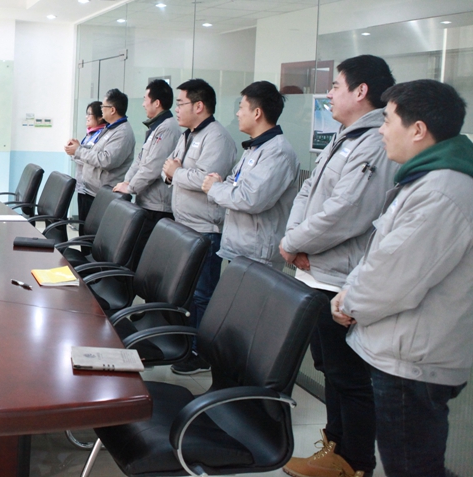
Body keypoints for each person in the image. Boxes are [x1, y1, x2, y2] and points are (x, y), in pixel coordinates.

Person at [334, 80, 473, 477]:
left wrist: (349, 302)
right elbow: (383, 253)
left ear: (418, 129)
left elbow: (394, 279)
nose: (381, 129)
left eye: (388, 120)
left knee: (412, 467)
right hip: (406, 352)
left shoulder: (442, 191)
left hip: (413, 363)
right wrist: (350, 291)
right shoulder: (427, 179)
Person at [281, 55, 397, 477]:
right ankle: (334, 450)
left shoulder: (374, 142)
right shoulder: (346, 136)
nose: (328, 93)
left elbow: (347, 211)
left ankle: (355, 462)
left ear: (360, 91)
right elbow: (308, 192)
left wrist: (294, 243)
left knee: (348, 376)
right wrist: (292, 241)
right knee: (330, 368)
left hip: (338, 279)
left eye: (335, 85)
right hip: (315, 269)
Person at [161, 78, 238, 374]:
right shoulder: (188, 135)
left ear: (199, 106)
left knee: (203, 294)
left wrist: (177, 172)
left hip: (206, 229)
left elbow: (205, 180)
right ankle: (187, 343)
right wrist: (175, 173)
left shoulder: (217, 138)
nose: (177, 109)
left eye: (181, 103)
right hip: (185, 225)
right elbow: (168, 168)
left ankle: (201, 353)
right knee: (187, 292)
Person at [202, 81, 299, 270]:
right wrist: (221, 186)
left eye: (241, 108)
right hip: (240, 248)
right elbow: (234, 183)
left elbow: (250, 198)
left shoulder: (277, 152)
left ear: (257, 113)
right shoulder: (255, 147)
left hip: (258, 256)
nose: (237, 114)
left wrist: (214, 187)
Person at [114, 79, 181, 252]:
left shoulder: (168, 128)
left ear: (156, 103)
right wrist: (127, 181)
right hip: (146, 202)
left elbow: (152, 168)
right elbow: (140, 159)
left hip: (158, 206)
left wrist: (130, 187)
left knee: (146, 253)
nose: (143, 104)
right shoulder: (156, 127)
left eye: (145, 99)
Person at [64, 88, 135, 222]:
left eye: (103, 106)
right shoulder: (110, 128)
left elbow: (106, 160)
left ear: (112, 110)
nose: (101, 109)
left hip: (102, 195)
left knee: (92, 232)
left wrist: (79, 151)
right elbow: (94, 152)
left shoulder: (123, 133)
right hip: (89, 190)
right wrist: (79, 148)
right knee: (84, 230)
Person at [71, 101, 107, 218]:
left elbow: (92, 159)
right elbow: (83, 155)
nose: (86, 117)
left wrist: (77, 152)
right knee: (82, 220)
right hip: (82, 186)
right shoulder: (90, 134)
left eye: (89, 114)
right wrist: (74, 150)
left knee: (88, 223)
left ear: (100, 117)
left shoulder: (101, 135)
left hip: (92, 189)